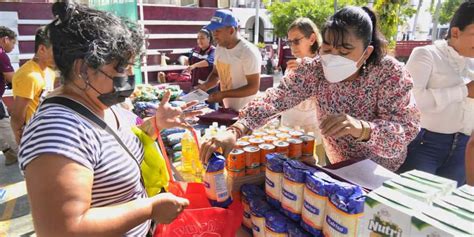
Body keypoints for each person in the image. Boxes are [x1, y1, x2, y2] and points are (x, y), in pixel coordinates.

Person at [18, 2, 201, 236]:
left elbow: (112, 147)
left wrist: (155, 125)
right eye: (121, 68)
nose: (128, 77)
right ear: (83, 68)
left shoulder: (100, 102)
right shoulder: (57, 130)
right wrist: (149, 208)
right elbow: (63, 229)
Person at [200, 6, 420, 172]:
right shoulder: (315, 69)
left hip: (380, 171)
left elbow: (405, 131)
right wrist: (237, 130)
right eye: (327, 49)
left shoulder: (389, 73)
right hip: (339, 165)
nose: (333, 58)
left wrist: (363, 128)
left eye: (345, 52)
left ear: (367, 53)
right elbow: (276, 99)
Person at [398, 2, 474, 185]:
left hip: (462, 149)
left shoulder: (471, 63)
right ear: (455, 32)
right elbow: (411, 102)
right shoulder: (426, 54)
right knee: (413, 204)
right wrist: (464, 91)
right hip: (426, 145)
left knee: (449, 209)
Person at [279, 17, 325, 163]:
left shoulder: (323, 65)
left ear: (312, 38)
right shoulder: (293, 65)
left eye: (296, 41)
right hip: (288, 134)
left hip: (312, 138)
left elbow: (325, 95)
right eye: (289, 42)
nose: (292, 46)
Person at [197, 9, 262, 111]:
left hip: (248, 112)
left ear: (231, 30)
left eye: (217, 31)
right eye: (213, 31)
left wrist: (223, 94)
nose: (214, 34)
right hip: (228, 110)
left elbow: (253, 88)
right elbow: (215, 74)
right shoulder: (219, 47)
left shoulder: (248, 52)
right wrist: (204, 87)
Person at [11, 26, 56, 144]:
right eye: (56, 50)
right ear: (42, 49)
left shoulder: (49, 72)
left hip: (44, 131)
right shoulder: (29, 76)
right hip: (32, 136)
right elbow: (17, 115)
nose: (60, 55)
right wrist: (18, 135)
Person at [0, 26, 19, 165]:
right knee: (6, 124)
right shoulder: (1, 54)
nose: (13, 47)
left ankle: (9, 153)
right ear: (5, 39)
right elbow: (12, 77)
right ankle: (23, 153)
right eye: (13, 43)